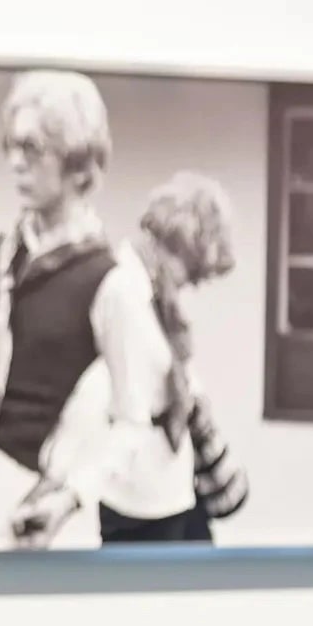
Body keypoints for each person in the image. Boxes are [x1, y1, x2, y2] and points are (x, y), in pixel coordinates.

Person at [0, 69, 194, 551]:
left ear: (77, 163)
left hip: (12, 499)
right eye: (10, 146)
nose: (15, 163)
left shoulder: (110, 280)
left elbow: (133, 422)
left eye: (32, 149)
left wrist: (71, 496)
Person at [102, 170, 248, 542]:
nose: (191, 286)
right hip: (136, 501)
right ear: (179, 242)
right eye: (192, 273)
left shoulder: (159, 297)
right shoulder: (124, 288)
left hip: (170, 491)